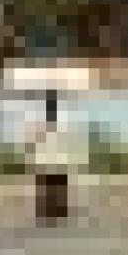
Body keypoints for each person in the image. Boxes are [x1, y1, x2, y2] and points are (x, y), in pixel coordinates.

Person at [29, 90, 80, 223]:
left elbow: (36, 142)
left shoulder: (42, 125)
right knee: (55, 189)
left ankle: (51, 213)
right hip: (55, 161)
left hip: (49, 161)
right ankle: (55, 213)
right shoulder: (58, 125)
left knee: (50, 189)